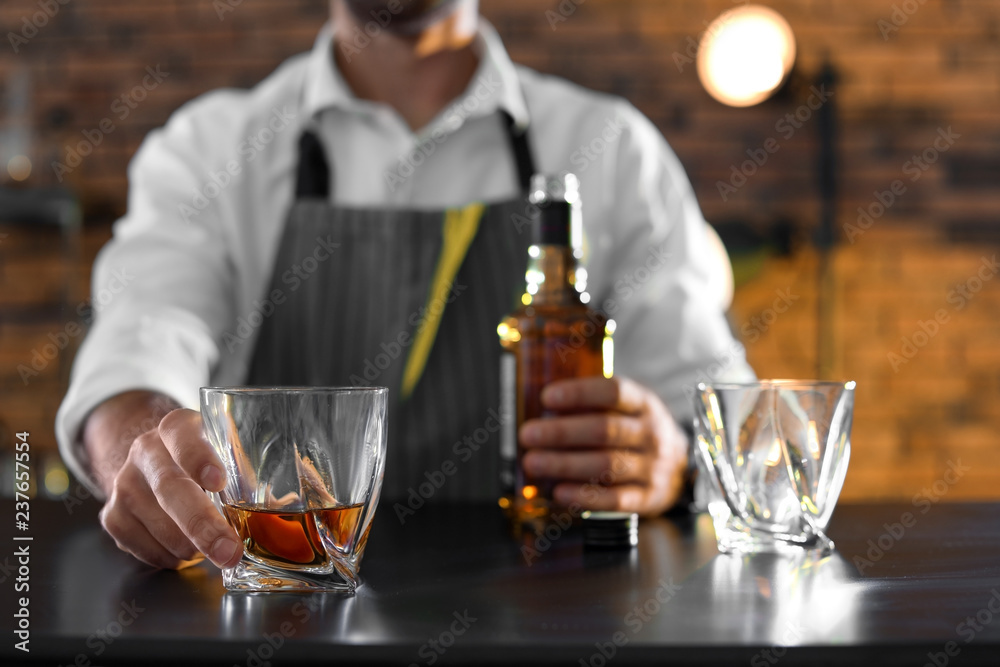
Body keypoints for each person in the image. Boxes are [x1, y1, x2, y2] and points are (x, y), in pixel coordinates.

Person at [56, 0, 754, 571]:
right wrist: (150, 447)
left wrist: (676, 458)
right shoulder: (209, 150)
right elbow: (138, 343)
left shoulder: (612, 149)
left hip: (546, 621)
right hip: (288, 610)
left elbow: (724, 421)